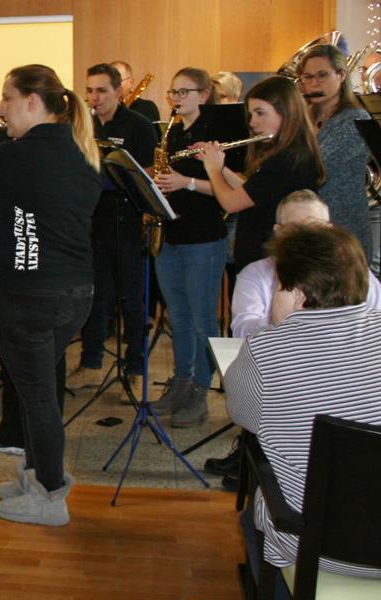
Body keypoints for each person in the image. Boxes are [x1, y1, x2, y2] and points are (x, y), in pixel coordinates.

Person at [0, 64, 102, 526]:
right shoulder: (81, 149)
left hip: (28, 295)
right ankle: (39, 472)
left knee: (37, 395)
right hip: (74, 291)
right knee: (42, 387)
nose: (0, 109)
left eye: (6, 99)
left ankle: (50, 493)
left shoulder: (14, 154)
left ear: (32, 103)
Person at [226, 224, 381, 592]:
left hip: (317, 546)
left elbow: (242, 415)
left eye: (279, 285)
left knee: (254, 517)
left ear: (297, 294)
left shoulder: (265, 353)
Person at [150, 67, 227, 427]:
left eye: (184, 92)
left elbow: (231, 192)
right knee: (177, 317)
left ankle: (200, 390)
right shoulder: (173, 132)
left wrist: (186, 182)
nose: (177, 99)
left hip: (203, 238)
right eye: (173, 92)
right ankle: (181, 382)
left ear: (204, 94)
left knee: (201, 319)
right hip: (171, 237)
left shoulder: (217, 134)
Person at [72, 63, 156, 388]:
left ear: (119, 91)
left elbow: (146, 176)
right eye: (90, 91)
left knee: (131, 301)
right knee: (94, 297)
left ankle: (135, 370)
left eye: (102, 91)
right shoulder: (83, 126)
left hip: (127, 223)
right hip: (91, 225)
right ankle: (91, 364)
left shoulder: (138, 125)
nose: (94, 98)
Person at [199, 76, 325, 273]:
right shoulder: (285, 154)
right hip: (263, 257)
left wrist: (213, 169)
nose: (252, 122)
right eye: (251, 114)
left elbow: (232, 203)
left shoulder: (289, 160)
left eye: (260, 113)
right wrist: (221, 166)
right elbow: (251, 190)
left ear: (286, 113)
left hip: (273, 259)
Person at [231, 190, 381, 338]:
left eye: (315, 227)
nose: (306, 238)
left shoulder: (354, 272)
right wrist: (280, 320)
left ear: (329, 230)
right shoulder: (255, 273)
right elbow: (241, 331)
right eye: (296, 229)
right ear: (278, 231)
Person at [297, 43, 372, 257]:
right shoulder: (304, 118)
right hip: (307, 222)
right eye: (307, 77)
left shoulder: (355, 119)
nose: (314, 83)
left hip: (343, 225)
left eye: (322, 75)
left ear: (341, 75)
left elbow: (317, 164)